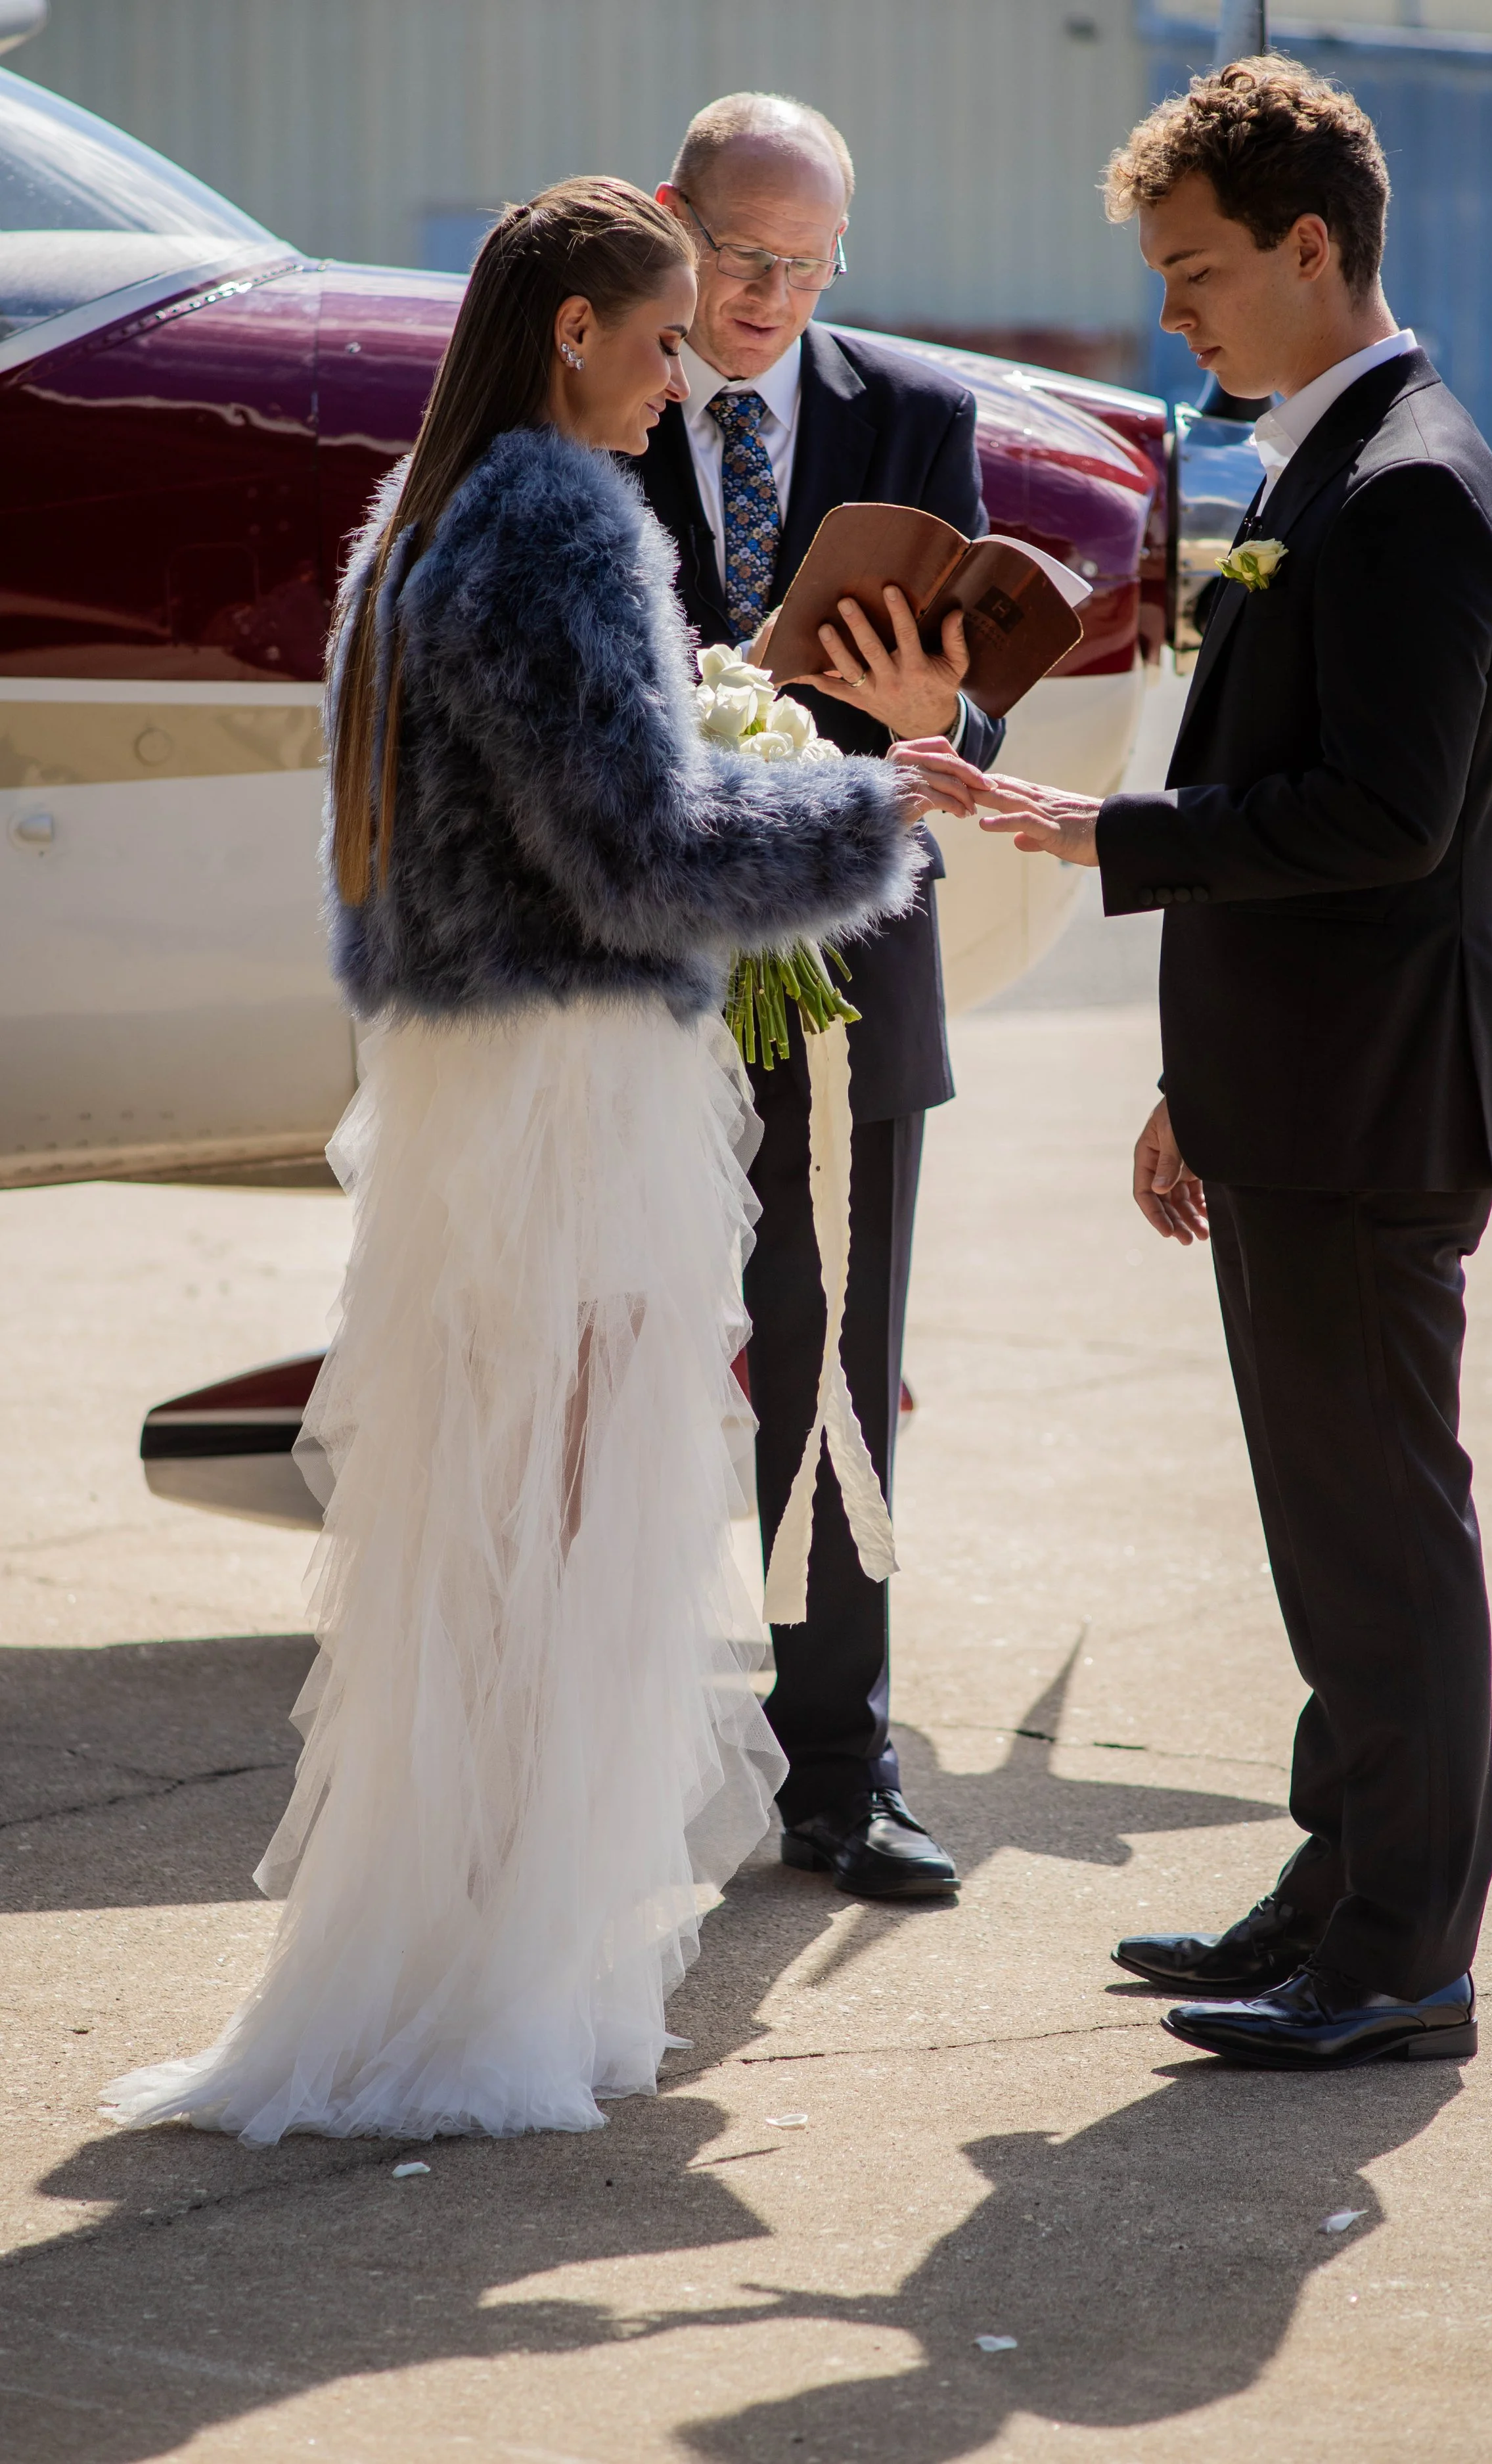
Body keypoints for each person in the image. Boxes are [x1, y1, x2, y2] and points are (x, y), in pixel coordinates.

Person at [101, 179, 928, 2145]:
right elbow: (636, 849)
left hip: (460, 1078)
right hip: (568, 1082)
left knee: (477, 1532)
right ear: (573, 329)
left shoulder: (420, 514)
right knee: (574, 1530)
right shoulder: (559, 518)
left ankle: (450, 1948)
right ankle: (501, 1986)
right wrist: (872, 798)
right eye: (656, 344)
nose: (677, 384)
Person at [899, 60, 1492, 2070]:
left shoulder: (1410, 488)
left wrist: (1108, 836)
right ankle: (1333, 1880)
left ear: (1309, 246)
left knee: (1380, 1534)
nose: (1170, 314)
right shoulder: (1326, 459)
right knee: (1328, 1524)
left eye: (1193, 275)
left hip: (1368, 1107)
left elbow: (1384, 818)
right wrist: (1199, 1075)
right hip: (1300, 1086)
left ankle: (1399, 1954)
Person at [637, 93, 1005, 1900]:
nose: (768, 295)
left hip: (851, 973)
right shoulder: (592, 401)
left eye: (804, 263)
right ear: (668, 221)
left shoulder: (918, 417)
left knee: (832, 1376)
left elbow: (977, 716)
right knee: (599, 1365)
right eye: (736, 255)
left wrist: (936, 708)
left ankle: (838, 1774)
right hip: (625, 981)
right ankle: (595, 1763)